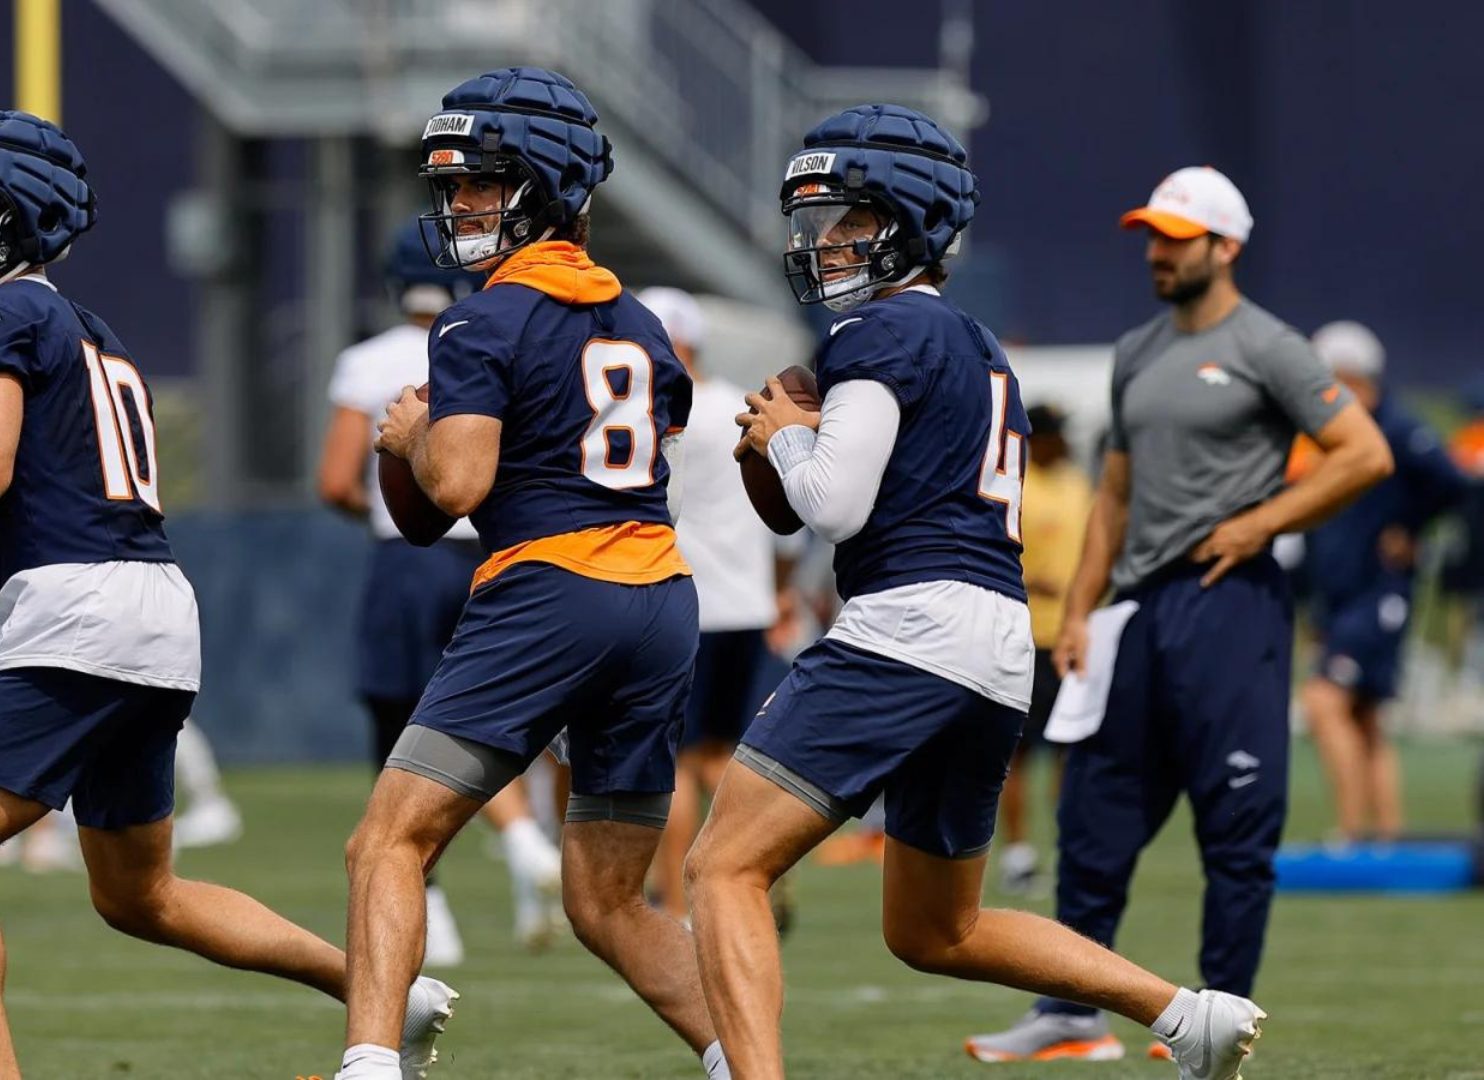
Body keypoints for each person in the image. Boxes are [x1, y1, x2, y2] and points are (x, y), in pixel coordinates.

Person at [0, 110, 455, 1080]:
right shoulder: (88, 330)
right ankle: (378, 994)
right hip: (153, 604)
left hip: (75, 606)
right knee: (139, 894)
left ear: (24, 214)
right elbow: (22, 462)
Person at [683, 106, 1270, 1080]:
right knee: (934, 930)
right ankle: (1182, 1013)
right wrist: (781, 444)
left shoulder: (880, 330)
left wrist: (785, 429)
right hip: (995, 644)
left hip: (907, 624)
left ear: (907, 221)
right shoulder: (975, 345)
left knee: (722, 866)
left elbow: (830, 502)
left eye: (846, 220)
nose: (823, 243)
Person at [341, 68, 726, 1080]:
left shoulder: (481, 318)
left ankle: (370, 1068)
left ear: (546, 184)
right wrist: (415, 462)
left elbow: (457, 488)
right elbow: (643, 434)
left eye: (481, 183)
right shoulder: (640, 322)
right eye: (454, 186)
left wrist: (415, 436)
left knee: (386, 844)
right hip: (659, 598)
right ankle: (749, 1062)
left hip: (551, 591)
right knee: (607, 900)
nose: (458, 205)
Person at [969, 165, 1392, 1063]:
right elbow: (1113, 498)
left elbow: (1363, 453)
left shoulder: (1268, 345)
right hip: (1137, 612)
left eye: (1176, 237)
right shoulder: (1137, 350)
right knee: (1093, 809)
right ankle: (1071, 1014)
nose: (1158, 252)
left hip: (1231, 604)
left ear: (1225, 246)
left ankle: (1220, 1015)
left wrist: (1259, 524)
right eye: (1152, 236)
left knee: (1236, 821)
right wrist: (1080, 608)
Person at [316, 221, 563, 963]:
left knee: (401, 737)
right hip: (496, 554)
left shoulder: (368, 361)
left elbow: (334, 481)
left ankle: (437, 913)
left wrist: (393, 500)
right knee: (490, 728)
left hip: (409, 558)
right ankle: (528, 843)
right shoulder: (499, 336)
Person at [635, 286, 797, 924]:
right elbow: (788, 515)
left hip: (684, 602)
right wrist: (781, 588)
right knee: (728, 757)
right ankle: (749, 879)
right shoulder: (743, 406)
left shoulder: (657, 414)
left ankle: (677, 904)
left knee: (671, 762)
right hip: (748, 604)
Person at [1298, 321, 1466, 842]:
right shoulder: (1331, 435)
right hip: (1343, 597)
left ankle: (1351, 832)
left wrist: (1411, 529)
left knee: (1324, 702)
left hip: (1378, 593)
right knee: (1366, 718)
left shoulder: (1396, 429)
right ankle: (1386, 836)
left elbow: (1455, 482)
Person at [997, 402, 1094, 895]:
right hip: (1027, 636)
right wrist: (1034, 579)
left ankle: (1069, 849)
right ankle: (1018, 854)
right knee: (1018, 753)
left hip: (1073, 637)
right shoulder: (1017, 485)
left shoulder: (1079, 485)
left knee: (1070, 753)